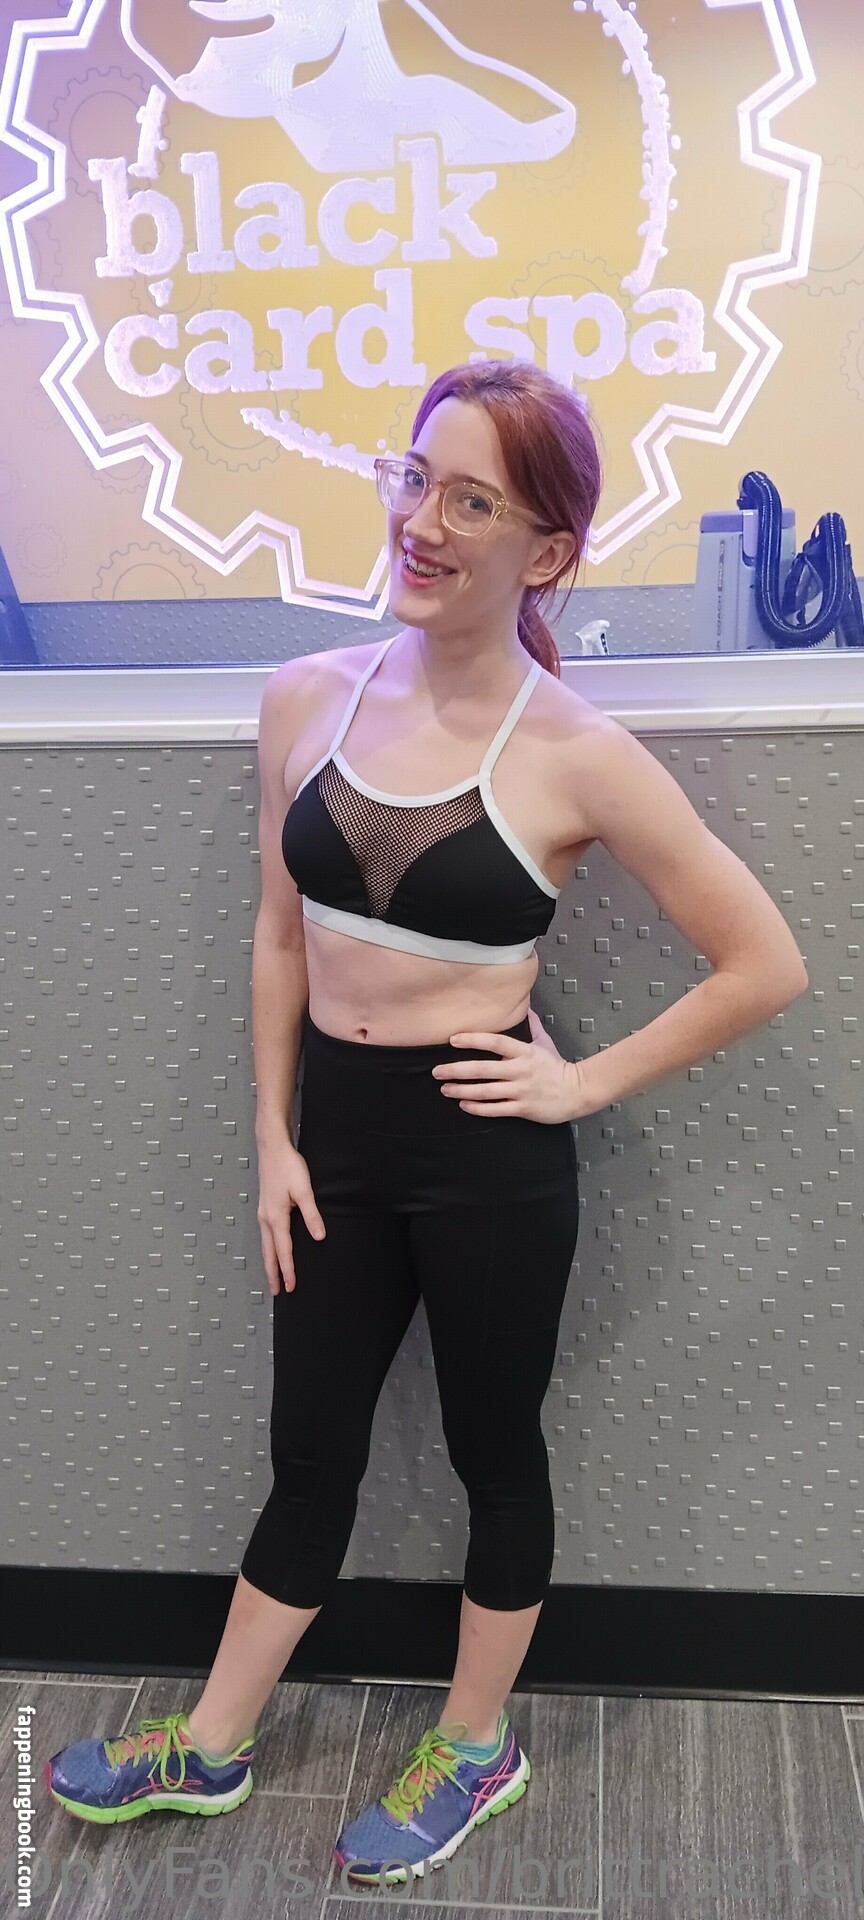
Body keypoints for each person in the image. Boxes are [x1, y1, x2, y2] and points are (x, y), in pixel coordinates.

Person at [44, 359, 603, 1884]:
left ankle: (476, 1747)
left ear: (546, 550)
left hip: (488, 1157)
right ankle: (214, 1742)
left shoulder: (572, 748)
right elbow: (279, 938)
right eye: (416, 478)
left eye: (472, 500)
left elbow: (764, 961)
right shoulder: (306, 697)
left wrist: (578, 1082)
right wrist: (274, 1139)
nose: (423, 521)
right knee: (310, 1455)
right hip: (335, 1147)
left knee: (497, 1456)